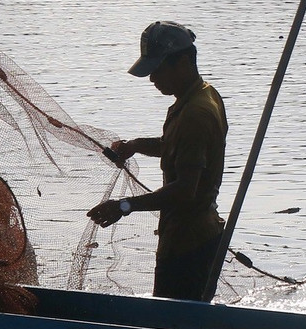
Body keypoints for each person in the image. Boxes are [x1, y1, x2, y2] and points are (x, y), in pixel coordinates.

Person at [88, 21, 227, 301]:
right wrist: (137, 146)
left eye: (158, 70)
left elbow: (185, 189)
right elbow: (180, 148)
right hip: (192, 237)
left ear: (184, 62)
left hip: (189, 246)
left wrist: (124, 206)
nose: (152, 80)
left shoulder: (195, 115)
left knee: (172, 327)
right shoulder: (202, 95)